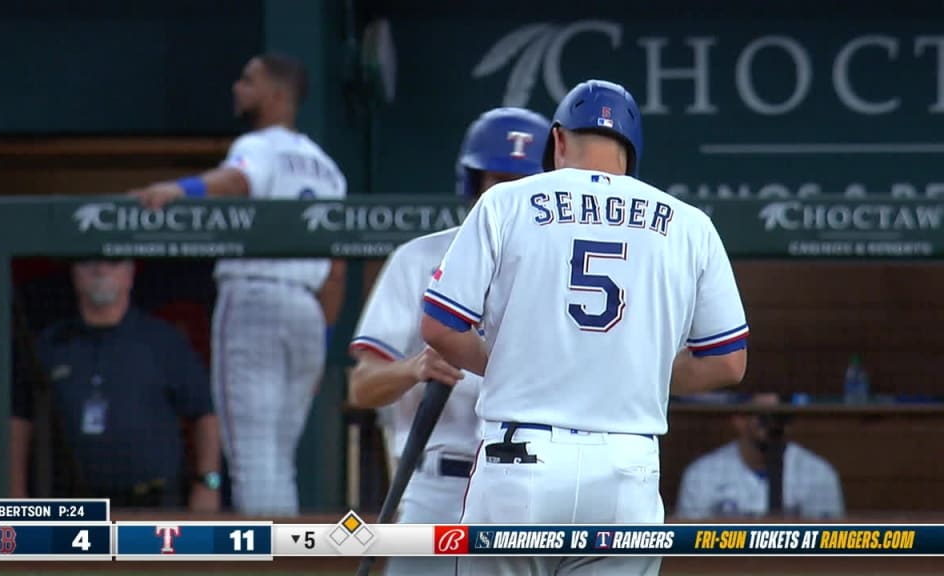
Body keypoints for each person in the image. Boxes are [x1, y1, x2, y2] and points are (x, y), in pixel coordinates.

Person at [419, 80, 749, 576]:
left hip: (519, 459)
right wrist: (627, 371)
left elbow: (439, 327)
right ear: (631, 152)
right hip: (627, 466)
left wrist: (517, 364)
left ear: (557, 141)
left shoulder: (506, 202)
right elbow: (728, 362)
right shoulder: (690, 224)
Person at [129, 53, 347, 515]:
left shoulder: (261, 145)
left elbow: (237, 180)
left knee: (253, 460)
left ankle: (265, 564)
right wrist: (321, 343)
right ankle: (287, 564)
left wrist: (180, 190)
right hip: (307, 313)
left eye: (249, 80)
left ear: (278, 95)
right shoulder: (329, 169)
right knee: (278, 463)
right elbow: (337, 270)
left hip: (256, 299)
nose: (237, 88)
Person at [349, 107, 550, 576]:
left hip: (529, 492)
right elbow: (362, 388)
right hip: (437, 487)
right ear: (472, 185)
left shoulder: (563, 277)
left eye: (522, 183)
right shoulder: (418, 259)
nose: (506, 197)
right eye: (495, 180)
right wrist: (412, 369)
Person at [10, 259, 221, 510]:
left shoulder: (163, 341)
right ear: (74, 272)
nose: (100, 270)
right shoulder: (50, 345)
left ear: (130, 274)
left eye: (113, 263)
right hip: (70, 504)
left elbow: (205, 415)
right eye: (90, 262)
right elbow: (19, 419)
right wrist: (14, 491)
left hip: (153, 505)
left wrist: (208, 483)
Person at [676, 393, 845, 519]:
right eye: (763, 417)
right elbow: (688, 545)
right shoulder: (702, 474)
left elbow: (829, 547)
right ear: (739, 420)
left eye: (778, 417)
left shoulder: (819, 474)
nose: (771, 425)